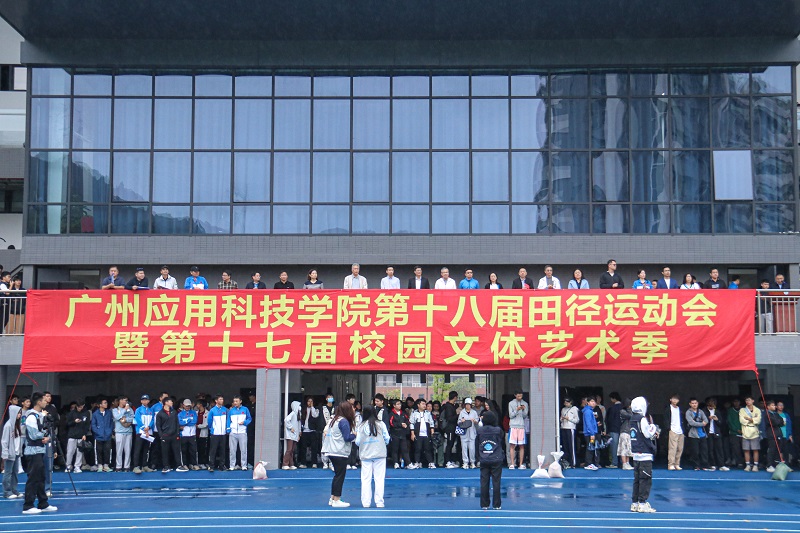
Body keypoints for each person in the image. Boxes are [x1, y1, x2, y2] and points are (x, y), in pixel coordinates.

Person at [22, 393, 57, 515]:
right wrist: (44, 436)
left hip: (40, 450)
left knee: (41, 477)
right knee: (33, 478)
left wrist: (46, 434)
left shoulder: (39, 416)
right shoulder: (31, 417)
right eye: (43, 400)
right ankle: (28, 505)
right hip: (33, 451)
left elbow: (42, 430)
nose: (46, 402)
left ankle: (43, 503)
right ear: (38, 402)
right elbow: (33, 435)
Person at [321, 402, 357, 508]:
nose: (353, 409)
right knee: (340, 476)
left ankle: (332, 498)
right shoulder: (343, 421)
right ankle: (336, 499)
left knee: (337, 475)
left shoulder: (335, 419)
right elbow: (347, 437)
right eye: (351, 408)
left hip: (332, 450)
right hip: (339, 452)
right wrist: (354, 435)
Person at [356, 406, 390, 508]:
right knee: (379, 479)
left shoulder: (361, 426)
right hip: (379, 454)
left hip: (366, 454)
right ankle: (379, 502)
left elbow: (357, 441)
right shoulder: (381, 424)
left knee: (365, 479)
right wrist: (381, 443)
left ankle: (366, 502)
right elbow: (387, 438)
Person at [629, 396, 658, 513]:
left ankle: (635, 503)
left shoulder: (632, 419)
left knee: (637, 480)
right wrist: (653, 428)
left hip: (636, 452)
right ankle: (642, 503)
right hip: (644, 453)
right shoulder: (642, 419)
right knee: (645, 479)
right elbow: (647, 434)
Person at [476, 410, 504, 510]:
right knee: (496, 482)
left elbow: (476, 444)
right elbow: (501, 442)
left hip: (484, 458)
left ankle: (484, 504)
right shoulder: (498, 430)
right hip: (496, 458)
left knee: (484, 482)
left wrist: (478, 457)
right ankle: (496, 504)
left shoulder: (480, 430)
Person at [156, 398, 187, 472]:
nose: (172, 402)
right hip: (165, 435)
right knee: (165, 452)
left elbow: (177, 423)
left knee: (177, 451)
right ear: (166, 402)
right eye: (170, 401)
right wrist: (161, 435)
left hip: (174, 435)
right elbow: (158, 425)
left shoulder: (174, 412)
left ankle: (179, 465)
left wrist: (177, 433)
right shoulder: (160, 413)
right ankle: (166, 466)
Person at [3, 405, 23, 499]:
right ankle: (7, 491)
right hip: (10, 454)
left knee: (15, 472)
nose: (19, 415)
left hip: (16, 453)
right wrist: (5, 453)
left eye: (20, 413)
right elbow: (4, 441)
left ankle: (14, 489)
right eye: (18, 413)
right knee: (8, 473)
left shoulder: (17, 425)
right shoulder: (8, 426)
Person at [65, 400, 91, 473]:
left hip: (81, 435)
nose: (80, 408)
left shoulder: (86, 413)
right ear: (76, 406)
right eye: (78, 407)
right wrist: (74, 422)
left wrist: (84, 434)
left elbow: (87, 424)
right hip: (72, 435)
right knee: (70, 451)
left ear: (83, 405)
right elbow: (67, 423)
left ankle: (77, 466)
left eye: (81, 407)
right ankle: (68, 465)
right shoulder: (72, 413)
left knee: (80, 452)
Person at [703, 398, 728, 472]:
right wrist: (708, 419)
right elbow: (702, 422)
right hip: (708, 433)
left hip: (716, 432)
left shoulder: (717, 411)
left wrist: (717, 420)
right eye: (710, 406)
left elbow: (721, 423)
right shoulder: (704, 411)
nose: (711, 407)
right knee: (710, 450)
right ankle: (712, 464)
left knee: (719, 449)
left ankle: (721, 465)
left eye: (713, 406)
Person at [409, 399, 436, 469]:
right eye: (423, 404)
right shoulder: (414, 413)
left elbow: (431, 423)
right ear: (418, 405)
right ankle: (417, 462)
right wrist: (412, 434)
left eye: (425, 404)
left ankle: (430, 462)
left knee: (428, 449)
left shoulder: (428, 413)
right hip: (418, 434)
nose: (424, 405)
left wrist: (432, 432)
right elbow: (411, 423)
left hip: (426, 434)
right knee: (417, 449)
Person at [685, 398, 710, 471]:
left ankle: (705, 465)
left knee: (704, 451)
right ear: (690, 404)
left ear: (698, 403)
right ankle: (696, 465)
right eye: (692, 403)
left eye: (695, 403)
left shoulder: (701, 411)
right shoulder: (688, 412)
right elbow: (691, 423)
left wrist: (700, 423)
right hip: (693, 435)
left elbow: (706, 420)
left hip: (702, 434)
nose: (694, 405)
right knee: (695, 451)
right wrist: (702, 424)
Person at [228, 395, 251, 470]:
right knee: (232, 450)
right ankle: (232, 465)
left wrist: (244, 422)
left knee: (243, 450)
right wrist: (229, 429)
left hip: (242, 432)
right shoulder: (231, 410)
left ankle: (244, 465)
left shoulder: (245, 409)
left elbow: (249, 418)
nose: (235, 403)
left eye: (236, 401)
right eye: (234, 401)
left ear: (240, 401)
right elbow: (228, 420)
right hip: (233, 432)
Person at [132, 394, 154, 474]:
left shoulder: (151, 410)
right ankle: (136, 466)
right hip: (140, 432)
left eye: (146, 400)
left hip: (148, 432)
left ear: (148, 401)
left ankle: (145, 466)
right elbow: (138, 420)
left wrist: (149, 427)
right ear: (141, 401)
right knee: (138, 449)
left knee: (146, 450)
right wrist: (144, 428)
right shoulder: (138, 410)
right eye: (143, 400)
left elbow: (152, 420)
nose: (145, 401)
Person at [91, 399, 114, 472]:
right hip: (98, 436)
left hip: (107, 436)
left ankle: (106, 465)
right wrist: (98, 432)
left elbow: (111, 423)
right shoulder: (95, 414)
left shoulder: (109, 413)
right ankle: (100, 465)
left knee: (107, 450)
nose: (106, 404)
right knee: (98, 451)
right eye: (105, 403)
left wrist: (110, 431)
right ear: (100, 405)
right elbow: (93, 424)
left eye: (106, 402)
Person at [739, 396, 762, 472]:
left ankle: (755, 465)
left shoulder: (757, 410)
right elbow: (742, 420)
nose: (747, 401)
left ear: (753, 401)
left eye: (749, 400)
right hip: (745, 431)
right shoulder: (742, 410)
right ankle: (748, 465)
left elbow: (758, 420)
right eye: (746, 400)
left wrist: (749, 419)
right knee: (746, 450)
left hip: (754, 431)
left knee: (755, 449)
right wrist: (752, 420)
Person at [507, 391, 529, 470]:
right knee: (512, 445)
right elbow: (511, 415)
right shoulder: (511, 403)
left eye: (521, 396)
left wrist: (523, 409)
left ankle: (520, 464)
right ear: (515, 395)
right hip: (513, 425)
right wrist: (517, 409)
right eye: (518, 396)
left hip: (521, 426)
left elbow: (525, 415)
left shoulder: (525, 403)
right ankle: (512, 463)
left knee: (521, 445)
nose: (520, 398)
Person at [112, 396, 134, 472]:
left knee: (128, 450)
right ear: (120, 401)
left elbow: (132, 418)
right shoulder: (115, 410)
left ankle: (127, 466)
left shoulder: (130, 409)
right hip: (119, 432)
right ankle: (118, 466)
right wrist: (124, 410)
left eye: (127, 400)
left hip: (129, 431)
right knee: (119, 450)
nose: (126, 402)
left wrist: (126, 419)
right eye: (124, 400)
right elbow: (117, 417)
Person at [207, 395, 229, 471]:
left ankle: (221, 465)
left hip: (223, 433)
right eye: (220, 399)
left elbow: (228, 420)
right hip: (215, 433)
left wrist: (227, 429)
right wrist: (212, 429)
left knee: (222, 450)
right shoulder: (212, 410)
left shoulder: (225, 410)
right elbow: (209, 421)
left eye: (222, 399)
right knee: (213, 450)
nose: (222, 400)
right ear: (216, 401)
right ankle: (211, 466)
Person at [299, 396, 321, 468]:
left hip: (312, 430)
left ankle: (314, 463)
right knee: (303, 448)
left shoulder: (316, 410)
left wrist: (312, 408)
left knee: (314, 447)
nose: (310, 403)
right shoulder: (303, 410)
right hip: (304, 430)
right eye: (309, 401)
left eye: (311, 401)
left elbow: (315, 415)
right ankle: (303, 463)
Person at [388, 399, 411, 469]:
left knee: (404, 449)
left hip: (402, 433)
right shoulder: (391, 414)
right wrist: (400, 424)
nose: (399, 405)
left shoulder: (403, 413)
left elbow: (407, 421)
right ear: (394, 405)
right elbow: (391, 423)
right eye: (398, 404)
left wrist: (406, 425)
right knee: (395, 449)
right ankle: (396, 463)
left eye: (400, 404)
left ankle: (408, 463)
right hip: (395, 433)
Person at [664, 394, 685, 470]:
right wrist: (668, 428)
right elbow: (666, 419)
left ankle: (677, 464)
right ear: (670, 400)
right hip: (673, 430)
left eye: (676, 399)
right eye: (673, 399)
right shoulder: (668, 409)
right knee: (673, 448)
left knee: (680, 448)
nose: (675, 400)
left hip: (680, 430)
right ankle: (671, 464)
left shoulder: (680, 409)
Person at [458, 398, 479, 469]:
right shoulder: (462, 412)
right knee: (464, 448)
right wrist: (462, 421)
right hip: (464, 433)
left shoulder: (474, 412)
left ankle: (472, 462)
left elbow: (477, 421)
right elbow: (458, 422)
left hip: (472, 432)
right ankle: (465, 462)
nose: (468, 406)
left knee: (472, 448)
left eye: (469, 405)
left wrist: (474, 421)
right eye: (466, 405)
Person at [764, 400, 785, 473]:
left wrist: (778, 422)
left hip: (778, 433)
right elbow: (774, 422)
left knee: (778, 450)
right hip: (771, 434)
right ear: (768, 407)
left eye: (774, 405)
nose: (774, 406)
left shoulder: (776, 414)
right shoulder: (767, 414)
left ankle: (776, 464)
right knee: (771, 449)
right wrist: (777, 422)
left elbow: (782, 422)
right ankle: (769, 465)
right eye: (772, 405)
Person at [178, 399, 199, 471]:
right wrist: (189, 420)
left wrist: (185, 422)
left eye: (189, 406)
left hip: (192, 435)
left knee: (193, 450)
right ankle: (185, 464)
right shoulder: (180, 414)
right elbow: (180, 422)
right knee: (184, 450)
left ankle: (194, 464)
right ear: (183, 405)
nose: (187, 407)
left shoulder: (193, 412)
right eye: (186, 406)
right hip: (184, 435)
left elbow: (194, 421)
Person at [441, 391, 460, 468]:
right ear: (455, 397)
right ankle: (447, 461)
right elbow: (449, 418)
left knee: (451, 444)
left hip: (453, 427)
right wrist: (458, 414)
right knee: (449, 444)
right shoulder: (448, 406)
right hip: (450, 428)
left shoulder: (451, 406)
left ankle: (449, 461)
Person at [559, 397, 580, 468]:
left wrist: (569, 419)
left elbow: (577, 420)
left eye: (567, 402)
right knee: (565, 446)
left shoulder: (574, 409)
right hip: (563, 427)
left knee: (571, 446)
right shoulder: (563, 409)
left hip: (571, 428)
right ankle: (566, 461)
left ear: (570, 402)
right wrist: (562, 419)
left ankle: (573, 462)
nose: (566, 404)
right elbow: (560, 419)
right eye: (565, 402)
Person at [283, 401, 302, 469]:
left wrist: (299, 433)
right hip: (290, 435)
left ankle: (291, 464)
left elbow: (299, 424)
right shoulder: (293, 413)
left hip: (295, 435)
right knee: (289, 449)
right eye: (298, 405)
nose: (300, 407)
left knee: (292, 450)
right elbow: (286, 420)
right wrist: (291, 427)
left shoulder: (298, 415)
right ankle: (285, 464)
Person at [606, 392, 623, 468]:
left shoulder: (612, 408)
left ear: (613, 398)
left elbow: (609, 420)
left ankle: (614, 462)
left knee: (614, 447)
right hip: (622, 429)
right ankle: (623, 462)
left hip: (614, 429)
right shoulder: (623, 407)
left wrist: (607, 430)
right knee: (622, 446)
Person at [582, 397, 600, 470]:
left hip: (590, 433)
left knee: (591, 447)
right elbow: (588, 423)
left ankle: (589, 463)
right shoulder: (588, 411)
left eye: (594, 401)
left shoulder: (589, 411)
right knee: (590, 448)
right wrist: (592, 433)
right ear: (588, 402)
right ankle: (588, 463)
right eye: (592, 401)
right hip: (590, 434)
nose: (593, 403)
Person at [195, 401, 209, 468]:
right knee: (197, 449)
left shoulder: (207, 413)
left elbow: (206, 424)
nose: (196, 405)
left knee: (203, 449)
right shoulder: (196, 413)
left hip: (203, 434)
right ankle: (198, 462)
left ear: (200, 405)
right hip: (196, 434)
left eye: (197, 404)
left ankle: (203, 462)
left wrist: (198, 426)